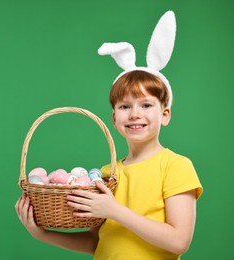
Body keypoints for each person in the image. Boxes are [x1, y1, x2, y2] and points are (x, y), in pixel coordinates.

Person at [15, 11, 203, 259]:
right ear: (114, 119)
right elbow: (96, 242)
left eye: (146, 105)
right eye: (125, 106)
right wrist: (42, 234)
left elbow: (179, 241)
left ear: (165, 114)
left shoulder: (175, 166)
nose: (135, 114)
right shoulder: (107, 174)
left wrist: (115, 210)